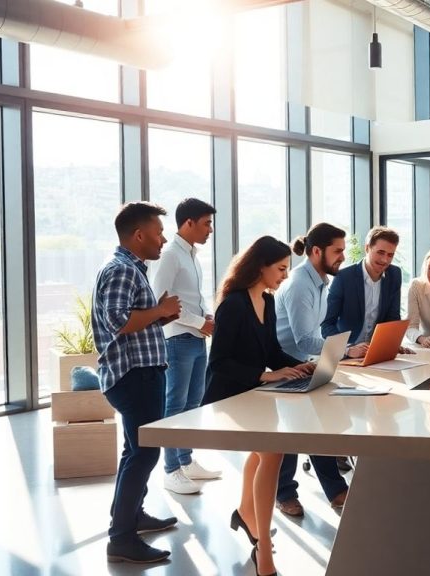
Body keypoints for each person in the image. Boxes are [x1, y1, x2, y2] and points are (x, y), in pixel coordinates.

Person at [204, 235, 315, 576]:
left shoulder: (266, 302)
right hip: (227, 398)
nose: (284, 276)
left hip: (253, 393)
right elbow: (219, 362)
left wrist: (301, 365)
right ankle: (262, 547)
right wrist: (265, 376)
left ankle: (246, 514)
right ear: (260, 266)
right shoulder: (233, 305)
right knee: (272, 452)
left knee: (266, 453)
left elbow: (272, 355)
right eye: (280, 269)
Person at [92, 201, 182, 564]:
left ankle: (130, 517)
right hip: (133, 375)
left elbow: (133, 324)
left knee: (136, 451)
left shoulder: (131, 269)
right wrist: (159, 311)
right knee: (144, 452)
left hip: (139, 372)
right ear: (139, 235)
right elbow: (118, 322)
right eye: (158, 233)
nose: (163, 240)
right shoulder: (122, 271)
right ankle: (122, 538)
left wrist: (158, 315)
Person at [274, 223, 351, 517]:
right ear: (317, 251)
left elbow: (311, 335)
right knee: (293, 430)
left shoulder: (321, 281)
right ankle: (284, 493)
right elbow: (303, 338)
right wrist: (344, 350)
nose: (342, 256)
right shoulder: (298, 284)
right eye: (338, 251)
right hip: (281, 365)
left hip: (302, 362)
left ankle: (334, 489)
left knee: (318, 423)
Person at [150, 198, 221, 495]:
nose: (211, 230)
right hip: (178, 339)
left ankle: (186, 460)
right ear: (188, 223)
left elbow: (189, 296)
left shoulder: (190, 254)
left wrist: (204, 317)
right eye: (206, 223)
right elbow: (160, 299)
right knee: (174, 406)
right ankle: (171, 470)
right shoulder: (170, 256)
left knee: (192, 405)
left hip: (194, 337)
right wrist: (197, 322)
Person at [321, 226, 404, 358]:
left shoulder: (395, 274)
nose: (385, 260)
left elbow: (392, 317)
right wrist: (348, 348)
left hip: (376, 353)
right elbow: (326, 324)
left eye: (390, 255)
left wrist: (391, 343)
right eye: (380, 252)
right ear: (367, 248)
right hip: (347, 355)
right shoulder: (343, 277)